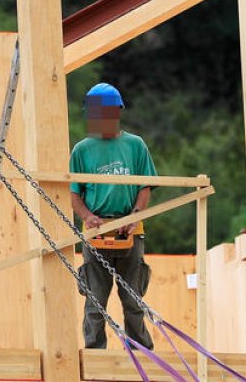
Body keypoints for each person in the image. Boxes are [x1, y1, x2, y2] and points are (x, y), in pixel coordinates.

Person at [69, 82, 157, 349]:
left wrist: (135, 214)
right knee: (95, 300)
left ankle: (141, 352)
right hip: (96, 232)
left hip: (130, 229)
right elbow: (74, 194)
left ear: (117, 113)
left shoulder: (135, 146)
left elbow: (145, 186)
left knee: (133, 299)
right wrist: (88, 216)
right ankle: (96, 354)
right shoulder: (82, 150)